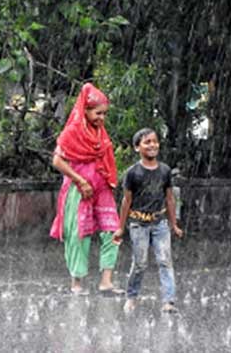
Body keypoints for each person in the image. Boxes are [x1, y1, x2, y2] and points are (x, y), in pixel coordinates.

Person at [50, 83, 123, 296]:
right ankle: (77, 283)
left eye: (104, 114)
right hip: (78, 189)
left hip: (101, 189)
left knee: (113, 232)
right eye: (98, 113)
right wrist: (80, 181)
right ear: (86, 110)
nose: (102, 118)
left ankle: (106, 282)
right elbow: (57, 161)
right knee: (78, 234)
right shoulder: (72, 131)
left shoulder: (100, 132)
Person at [113, 128, 184, 313]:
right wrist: (120, 228)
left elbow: (169, 198)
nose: (152, 145)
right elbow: (126, 201)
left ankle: (169, 301)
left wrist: (173, 224)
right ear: (137, 147)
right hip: (138, 224)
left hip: (160, 223)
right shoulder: (132, 173)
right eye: (147, 142)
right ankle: (132, 296)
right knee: (140, 263)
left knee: (165, 261)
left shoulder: (165, 171)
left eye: (154, 141)